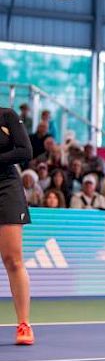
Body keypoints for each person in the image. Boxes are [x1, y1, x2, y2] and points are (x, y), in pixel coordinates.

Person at [0, 107, 35, 344]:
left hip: (6, 187)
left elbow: (25, 151)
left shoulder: (7, 116)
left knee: (13, 259)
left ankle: (24, 324)